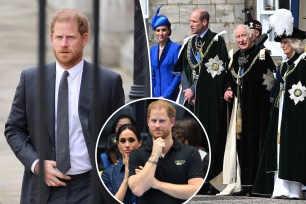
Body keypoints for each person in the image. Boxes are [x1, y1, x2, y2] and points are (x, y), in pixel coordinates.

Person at [4, 8, 124, 203]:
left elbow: (120, 131)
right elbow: (14, 129)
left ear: (84, 38)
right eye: (59, 37)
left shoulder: (108, 82)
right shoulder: (31, 79)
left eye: (71, 37)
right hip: (42, 188)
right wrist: (35, 164)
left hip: (91, 188)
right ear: (51, 37)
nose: (64, 44)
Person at [253, 9, 306, 199]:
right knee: (279, 147)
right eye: (282, 43)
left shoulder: (303, 64)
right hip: (281, 112)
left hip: (297, 115)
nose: (282, 46)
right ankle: (281, 188)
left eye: (285, 42)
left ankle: (295, 189)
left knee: (293, 147)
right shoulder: (284, 65)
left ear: (294, 44)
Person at [173, 8, 228, 190]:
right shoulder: (189, 43)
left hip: (208, 101)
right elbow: (183, 69)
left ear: (204, 22)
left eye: (194, 21)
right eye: (190, 21)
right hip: (191, 100)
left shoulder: (216, 42)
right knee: (191, 138)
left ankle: (210, 180)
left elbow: (215, 73)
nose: (190, 24)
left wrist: (196, 90)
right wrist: (188, 89)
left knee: (208, 138)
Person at [221, 24, 276, 196]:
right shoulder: (234, 57)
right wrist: (228, 90)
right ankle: (242, 184)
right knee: (241, 147)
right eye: (238, 37)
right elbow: (229, 80)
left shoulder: (262, 56)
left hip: (258, 110)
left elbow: (271, 82)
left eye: (244, 36)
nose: (241, 40)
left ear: (252, 36)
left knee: (255, 145)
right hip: (240, 112)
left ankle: (256, 186)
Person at [128, 99, 204, 204]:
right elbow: (138, 190)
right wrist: (154, 155)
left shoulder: (190, 152)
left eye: (162, 121)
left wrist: (156, 184)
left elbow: (195, 190)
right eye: (154, 121)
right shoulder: (137, 154)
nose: (157, 125)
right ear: (148, 122)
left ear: (172, 122)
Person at [102, 124, 142, 203]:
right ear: (118, 144)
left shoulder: (148, 168)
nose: (127, 145)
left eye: (131, 140)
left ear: (139, 143)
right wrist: (126, 179)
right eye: (123, 141)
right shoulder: (108, 173)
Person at [150, 6, 181, 101]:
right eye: (158, 30)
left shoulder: (176, 48)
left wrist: (166, 96)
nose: (161, 33)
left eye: (164, 30)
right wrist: (151, 95)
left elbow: (179, 74)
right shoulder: (153, 50)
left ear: (169, 31)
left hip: (170, 96)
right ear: (154, 32)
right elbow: (152, 75)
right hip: (156, 96)